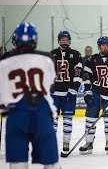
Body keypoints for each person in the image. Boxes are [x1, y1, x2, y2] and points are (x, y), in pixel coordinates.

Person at [0, 22, 60, 168]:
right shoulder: (47, 59)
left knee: (18, 163)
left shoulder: (4, 63)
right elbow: (50, 81)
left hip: (16, 113)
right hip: (42, 113)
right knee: (51, 163)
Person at [79, 36, 108, 155]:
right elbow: (86, 76)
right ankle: (89, 142)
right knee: (90, 116)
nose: (105, 47)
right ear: (99, 46)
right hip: (95, 92)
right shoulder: (92, 59)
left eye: (107, 45)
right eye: (102, 45)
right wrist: (87, 92)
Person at [49, 30, 83, 154]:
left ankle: (66, 143)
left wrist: (74, 89)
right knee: (53, 120)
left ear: (69, 41)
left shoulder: (76, 54)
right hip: (55, 94)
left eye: (66, 39)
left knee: (68, 119)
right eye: (62, 39)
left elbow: (79, 73)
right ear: (58, 41)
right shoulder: (51, 54)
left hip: (69, 93)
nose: (64, 41)